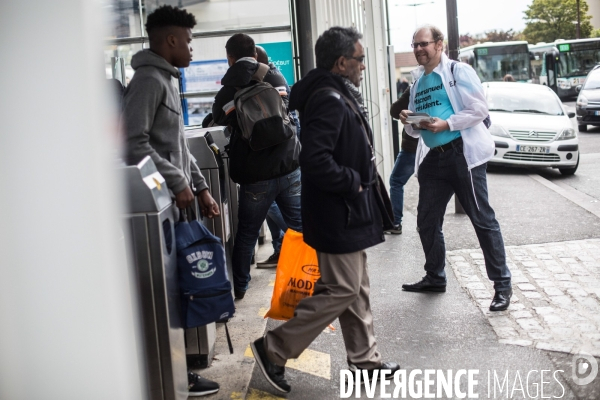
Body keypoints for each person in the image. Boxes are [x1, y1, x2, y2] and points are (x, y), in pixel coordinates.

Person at [250, 26, 399, 394]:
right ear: (341, 61)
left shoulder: (334, 93)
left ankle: (365, 362)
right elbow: (315, 159)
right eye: (360, 59)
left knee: (356, 287)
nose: (363, 66)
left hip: (346, 211)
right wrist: (353, 181)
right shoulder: (330, 98)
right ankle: (273, 349)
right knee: (342, 289)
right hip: (339, 212)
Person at [122, 5, 221, 396]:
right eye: (190, 41)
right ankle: (180, 374)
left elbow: (177, 143)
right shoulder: (148, 81)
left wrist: (200, 186)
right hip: (162, 201)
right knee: (173, 290)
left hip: (177, 200)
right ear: (171, 40)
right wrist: (179, 181)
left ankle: (183, 370)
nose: (193, 48)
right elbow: (134, 142)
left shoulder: (166, 78)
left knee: (184, 286)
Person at [399, 25, 512, 312]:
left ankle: (502, 286)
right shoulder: (417, 81)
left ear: (439, 45)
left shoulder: (458, 72)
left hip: (462, 154)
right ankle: (435, 276)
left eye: (423, 44)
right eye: (414, 45)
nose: (418, 49)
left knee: (482, 219)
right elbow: (415, 132)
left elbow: (479, 110)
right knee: (426, 221)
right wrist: (410, 120)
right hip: (433, 160)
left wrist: (447, 124)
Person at [212, 34, 302, 298]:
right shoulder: (275, 78)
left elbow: (220, 121)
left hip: (256, 175)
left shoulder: (228, 90)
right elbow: (287, 110)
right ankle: (311, 277)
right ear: (255, 52)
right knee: (300, 227)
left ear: (229, 57)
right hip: (289, 166)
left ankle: (240, 287)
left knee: (247, 234)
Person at [253, 45, 299, 268]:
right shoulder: (269, 75)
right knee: (272, 202)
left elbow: (281, 112)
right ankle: (281, 247)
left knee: (269, 202)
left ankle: (296, 239)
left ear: (256, 59)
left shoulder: (271, 77)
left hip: (281, 151)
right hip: (278, 150)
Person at [387, 86, 418, 234]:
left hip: (413, 146)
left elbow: (395, 110)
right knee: (429, 183)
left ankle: (395, 222)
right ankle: (426, 222)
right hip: (435, 145)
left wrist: (410, 116)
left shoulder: (415, 87)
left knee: (396, 180)